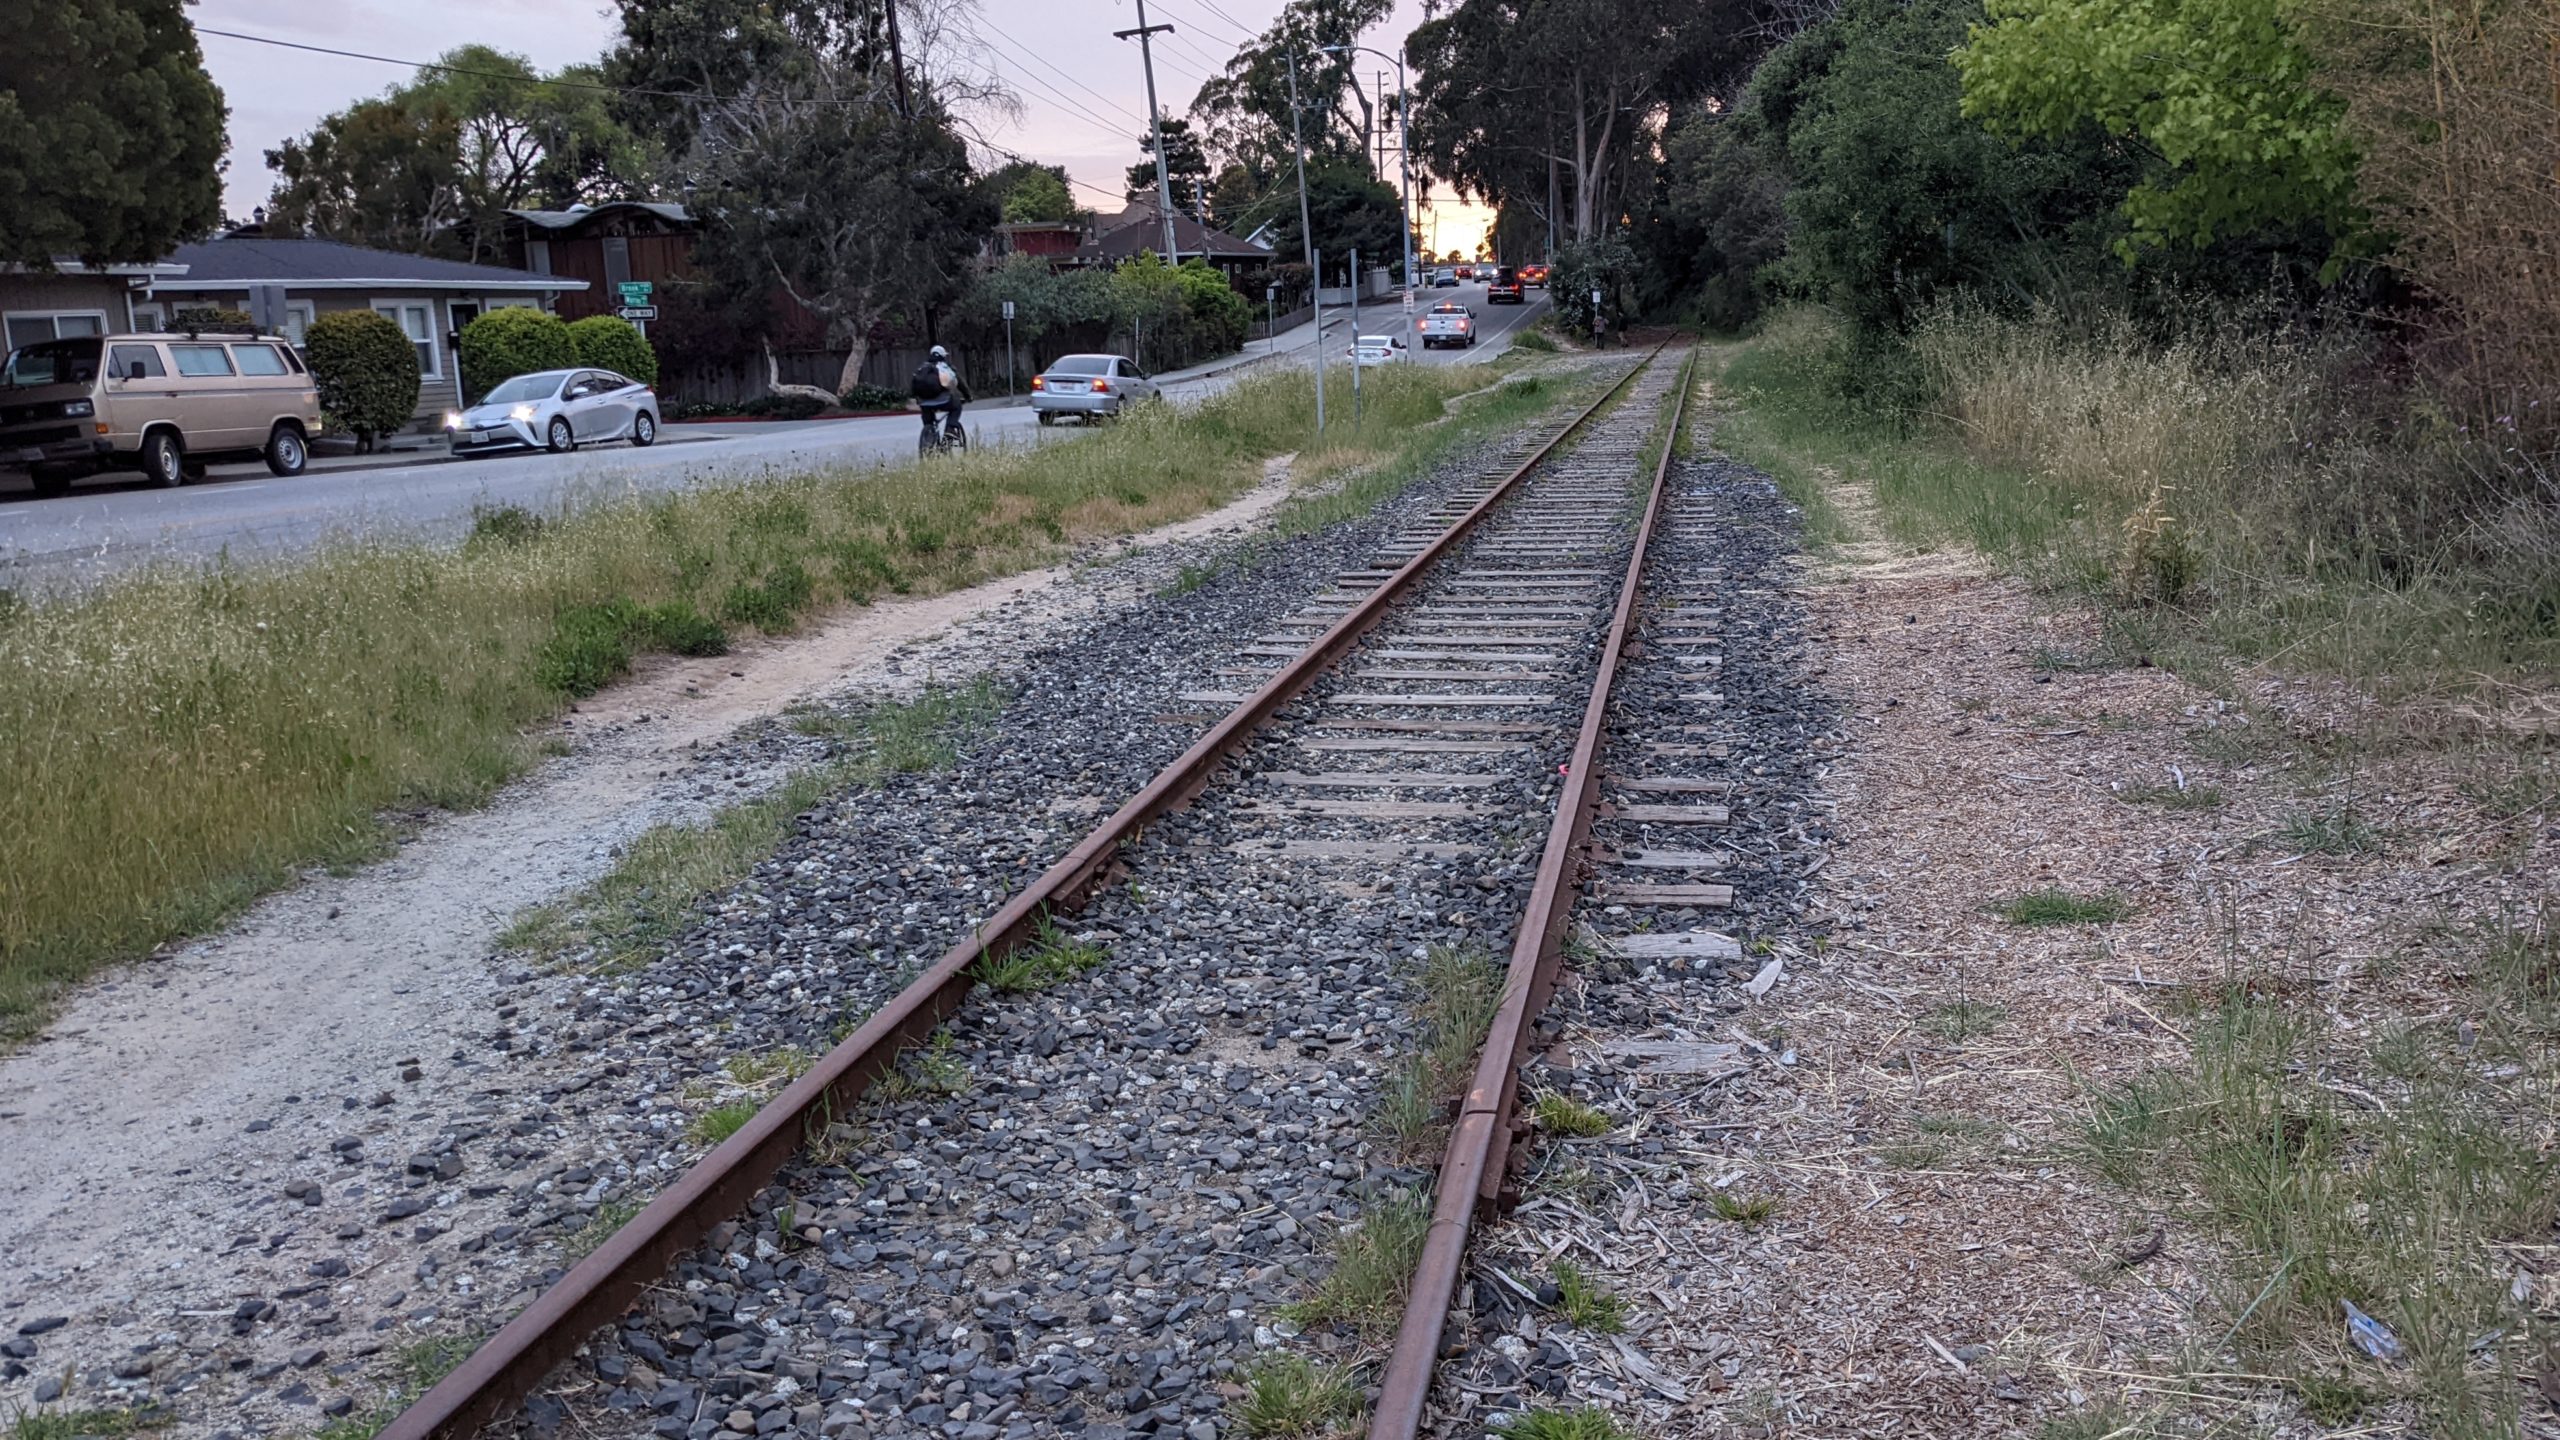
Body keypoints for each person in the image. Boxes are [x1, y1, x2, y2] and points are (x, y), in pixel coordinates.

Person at [911, 345, 971, 446]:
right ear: (943, 356)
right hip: (944, 401)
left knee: (927, 413)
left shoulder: (922, 368)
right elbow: (960, 382)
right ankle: (950, 430)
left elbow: (914, 385)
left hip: (924, 402)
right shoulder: (945, 367)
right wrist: (968, 396)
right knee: (956, 407)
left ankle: (928, 434)